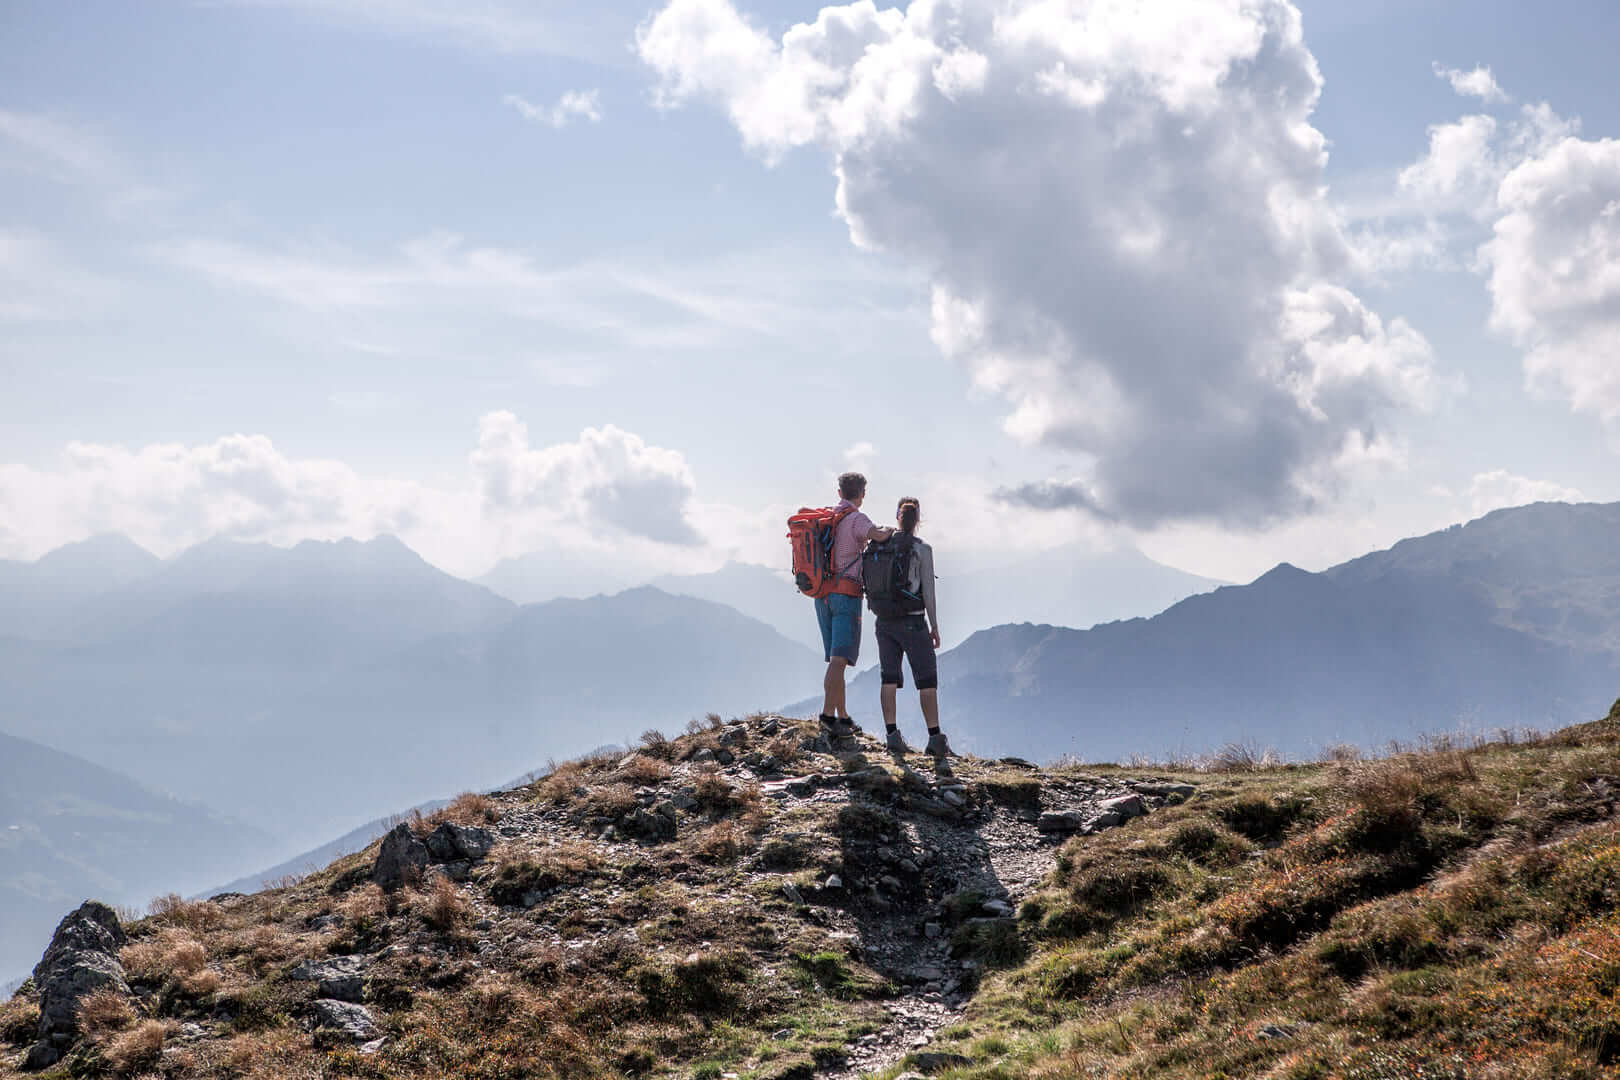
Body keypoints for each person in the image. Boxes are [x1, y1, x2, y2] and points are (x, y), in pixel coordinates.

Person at [876, 497, 952, 763]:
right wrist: (934, 626)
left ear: (897, 516)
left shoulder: (880, 544)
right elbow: (928, 593)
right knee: (927, 680)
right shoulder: (922, 549)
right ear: (918, 519)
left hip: (884, 621)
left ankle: (892, 736)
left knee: (888, 678)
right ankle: (934, 739)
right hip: (913, 620)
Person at [818, 472, 893, 734]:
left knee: (834, 660)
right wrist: (889, 529)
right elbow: (877, 535)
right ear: (862, 494)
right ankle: (828, 717)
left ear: (839, 493)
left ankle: (844, 716)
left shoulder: (829, 517)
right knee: (840, 660)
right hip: (846, 595)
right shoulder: (856, 518)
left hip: (822, 595)